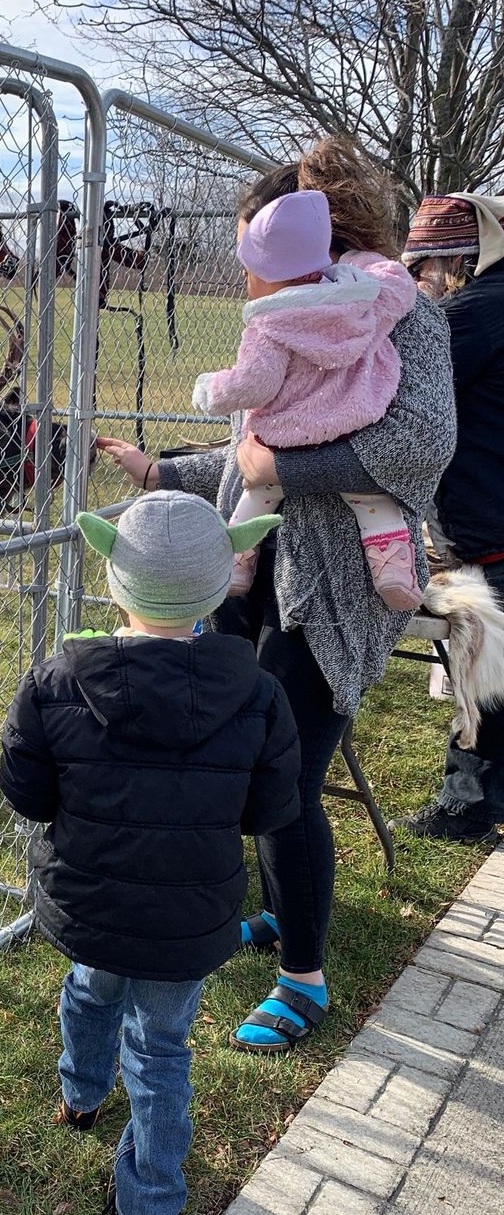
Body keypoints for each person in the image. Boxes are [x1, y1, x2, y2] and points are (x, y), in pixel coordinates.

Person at [99, 139, 457, 1052]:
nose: (246, 272)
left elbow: (420, 444)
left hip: (335, 587)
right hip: (248, 570)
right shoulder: (297, 316)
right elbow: (257, 443)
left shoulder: (402, 315)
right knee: (246, 755)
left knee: (289, 778)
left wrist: (282, 468)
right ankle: (273, 911)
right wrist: (164, 466)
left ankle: (304, 978)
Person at [0, 493, 300, 1215]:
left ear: (114, 579)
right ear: (217, 585)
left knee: (92, 988)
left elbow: (28, 795)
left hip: (94, 902)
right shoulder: (260, 696)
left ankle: (81, 1093)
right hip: (188, 916)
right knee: (163, 1051)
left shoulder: (55, 684)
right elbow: (269, 809)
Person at [195, 189, 420, 609]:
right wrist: (360, 261)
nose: (246, 281)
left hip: (287, 435)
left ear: (267, 271)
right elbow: (399, 287)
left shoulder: (271, 323)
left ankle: (236, 563)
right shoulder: (358, 298)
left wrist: (211, 391)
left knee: (257, 494)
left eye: (248, 271)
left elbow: (254, 385)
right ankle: (393, 570)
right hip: (353, 421)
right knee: (373, 502)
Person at [395, 193, 504, 843]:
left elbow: (394, 383)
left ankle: (468, 806)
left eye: (427, 265)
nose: (420, 281)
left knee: (486, 671)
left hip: (491, 528)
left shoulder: (475, 313)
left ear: (464, 256)